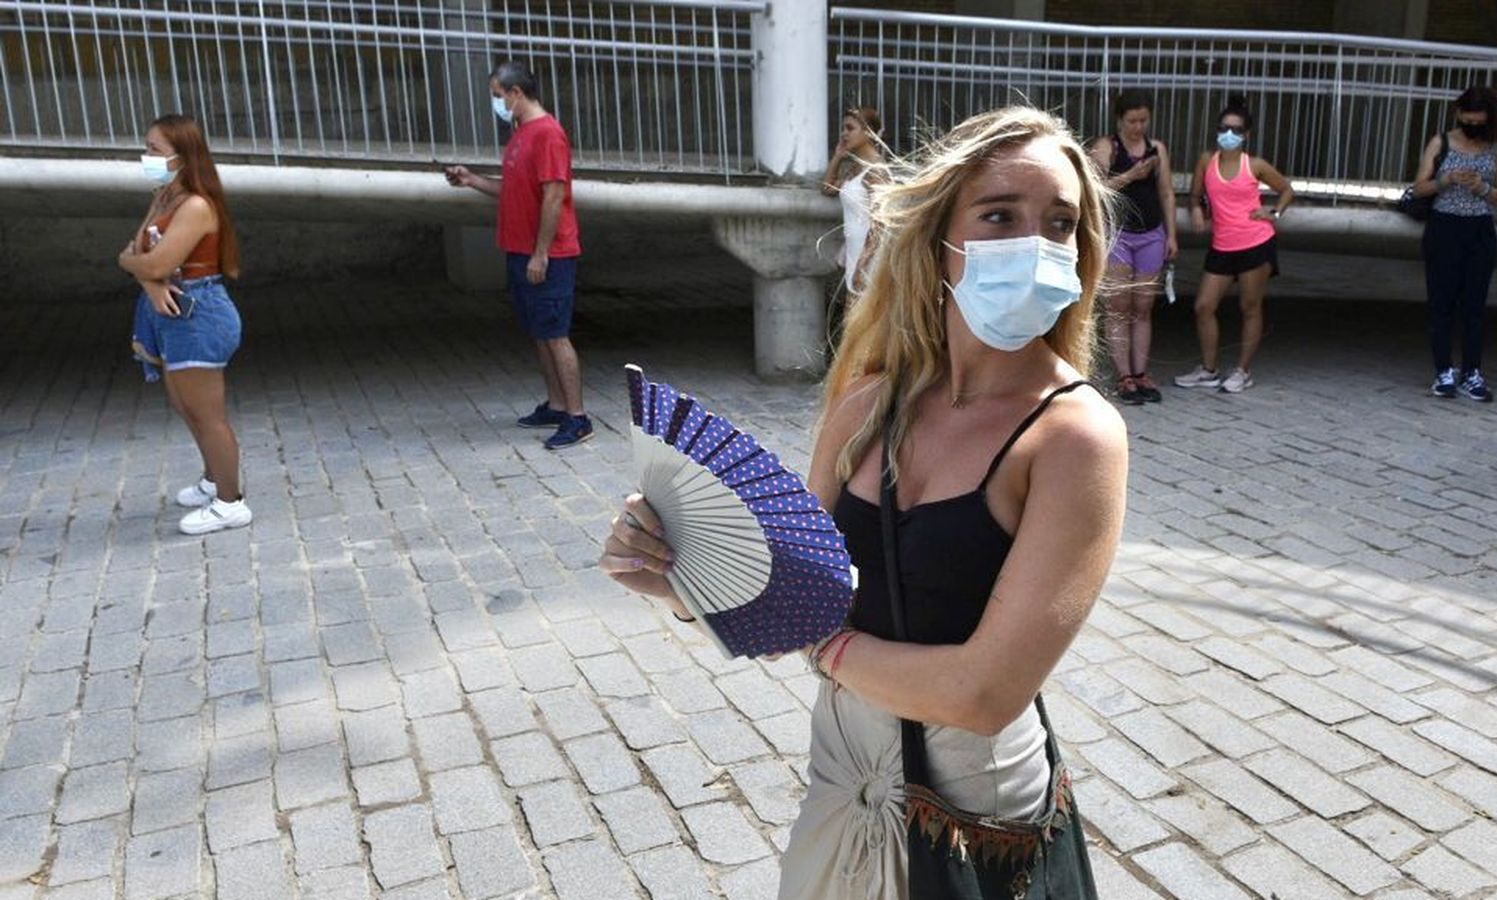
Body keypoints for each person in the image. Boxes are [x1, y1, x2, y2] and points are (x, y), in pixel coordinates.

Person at [601, 107, 1127, 898]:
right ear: (939, 240)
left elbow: (983, 694)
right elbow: (797, 586)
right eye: (999, 215)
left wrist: (818, 645)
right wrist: (679, 578)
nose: (1037, 244)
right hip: (842, 774)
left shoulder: (1075, 437)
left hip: (975, 813)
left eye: (1060, 223)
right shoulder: (865, 402)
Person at [446, 60, 590, 449]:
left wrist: (541, 253)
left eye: (498, 95)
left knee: (556, 335)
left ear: (516, 93)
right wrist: (472, 180)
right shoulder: (521, 134)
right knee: (540, 333)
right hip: (520, 251)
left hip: (548, 254)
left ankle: (578, 417)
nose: (496, 103)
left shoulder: (547, 135)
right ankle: (557, 406)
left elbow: (555, 195)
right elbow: (513, 190)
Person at [121, 114, 251, 535]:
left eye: (156, 150)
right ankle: (214, 479)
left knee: (207, 412)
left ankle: (231, 503)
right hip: (172, 310)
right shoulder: (163, 198)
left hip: (199, 312)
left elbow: (153, 260)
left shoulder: (196, 205)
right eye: (147, 147)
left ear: (183, 156)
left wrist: (143, 270)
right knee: (184, 405)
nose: (147, 157)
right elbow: (132, 252)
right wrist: (149, 281)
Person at [1175, 94, 1294, 394]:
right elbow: (1195, 194)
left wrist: (1274, 212)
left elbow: (1286, 189)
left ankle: (1242, 371)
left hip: (1256, 242)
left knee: (1250, 306)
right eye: (1225, 128)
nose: (1229, 134)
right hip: (1222, 244)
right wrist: (1196, 211)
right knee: (1204, 306)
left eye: (1237, 130)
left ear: (1246, 135)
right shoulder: (1207, 160)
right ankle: (1209, 369)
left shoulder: (1255, 164)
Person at [1408, 85, 1497, 402]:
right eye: (1468, 121)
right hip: (1444, 227)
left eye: (1479, 123)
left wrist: (1482, 187)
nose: (1472, 128)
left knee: (1475, 306)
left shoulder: (1496, 146)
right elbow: (1419, 187)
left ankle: (1472, 372)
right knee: (1442, 303)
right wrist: (1447, 180)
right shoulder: (1441, 141)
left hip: (1479, 229)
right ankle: (1443, 371)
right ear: (1458, 115)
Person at [1089, 91, 1178, 405]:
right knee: (1118, 307)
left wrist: (1171, 235)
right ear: (1119, 120)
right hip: (1119, 234)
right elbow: (1095, 190)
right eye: (1132, 121)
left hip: (1151, 233)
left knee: (1143, 308)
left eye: (1143, 120)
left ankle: (1141, 373)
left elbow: (1166, 193)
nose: (1138, 126)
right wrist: (1131, 175)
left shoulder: (1158, 150)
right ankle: (1124, 375)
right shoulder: (1107, 147)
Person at [821, 106, 886, 295]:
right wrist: (838, 157)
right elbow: (827, 188)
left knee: (861, 321)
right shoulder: (856, 168)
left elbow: (881, 222)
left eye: (850, 128)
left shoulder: (876, 171)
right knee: (853, 321)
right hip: (855, 254)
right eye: (843, 129)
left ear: (868, 132)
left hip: (869, 261)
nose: (843, 134)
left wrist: (864, 265)